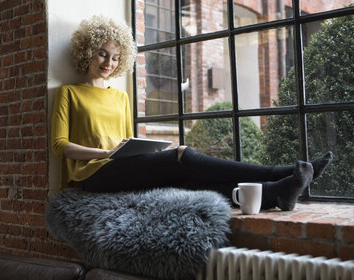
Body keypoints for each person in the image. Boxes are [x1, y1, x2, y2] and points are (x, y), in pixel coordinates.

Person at [51, 15, 333, 211]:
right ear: (87, 51)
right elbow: (60, 146)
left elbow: (127, 141)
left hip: (121, 168)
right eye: (102, 54)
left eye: (115, 58)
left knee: (188, 180)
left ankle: (276, 193)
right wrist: (104, 154)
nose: (108, 63)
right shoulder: (69, 93)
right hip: (92, 176)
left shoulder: (121, 97)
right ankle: (281, 172)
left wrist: (140, 150)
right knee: (183, 155)